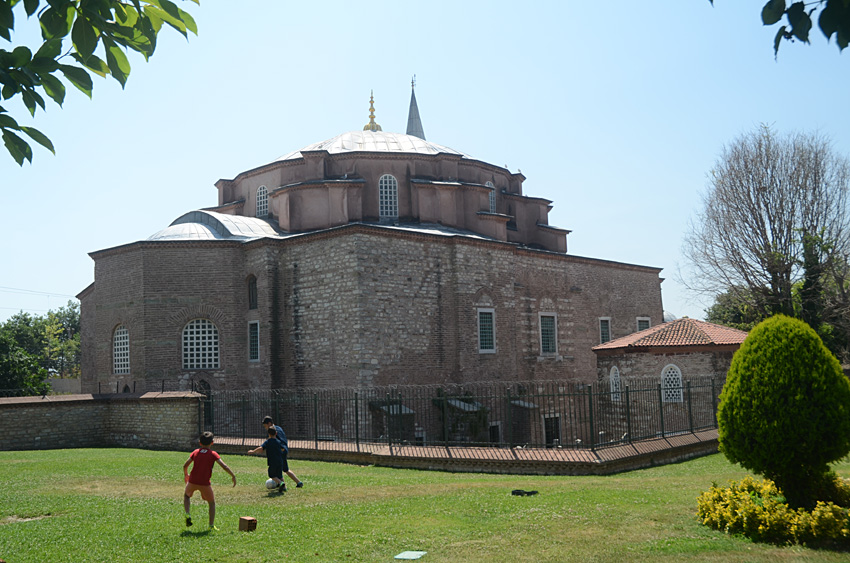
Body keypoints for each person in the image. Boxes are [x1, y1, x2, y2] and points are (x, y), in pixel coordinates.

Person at [183, 431, 236, 530]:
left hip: (193, 481)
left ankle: (187, 513)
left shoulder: (196, 452)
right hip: (205, 483)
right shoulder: (213, 454)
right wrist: (232, 475)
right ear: (212, 442)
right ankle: (211, 525)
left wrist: (186, 475)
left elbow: (185, 465)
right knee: (211, 503)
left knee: (186, 496)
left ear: (200, 443)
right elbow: (224, 466)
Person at [261, 415, 303, 490]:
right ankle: (298, 482)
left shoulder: (273, 431)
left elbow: (275, 442)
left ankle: (282, 485)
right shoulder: (279, 428)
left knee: (278, 470)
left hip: (280, 451)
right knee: (285, 469)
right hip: (284, 449)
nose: (265, 428)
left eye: (265, 426)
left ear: (269, 423)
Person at [247, 426, 286, 493]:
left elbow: (261, 448)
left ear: (268, 434)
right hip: (280, 461)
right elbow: (283, 449)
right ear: (276, 433)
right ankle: (284, 488)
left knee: (272, 475)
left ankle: (281, 483)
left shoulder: (268, 442)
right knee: (280, 475)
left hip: (272, 462)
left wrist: (253, 451)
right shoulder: (278, 442)